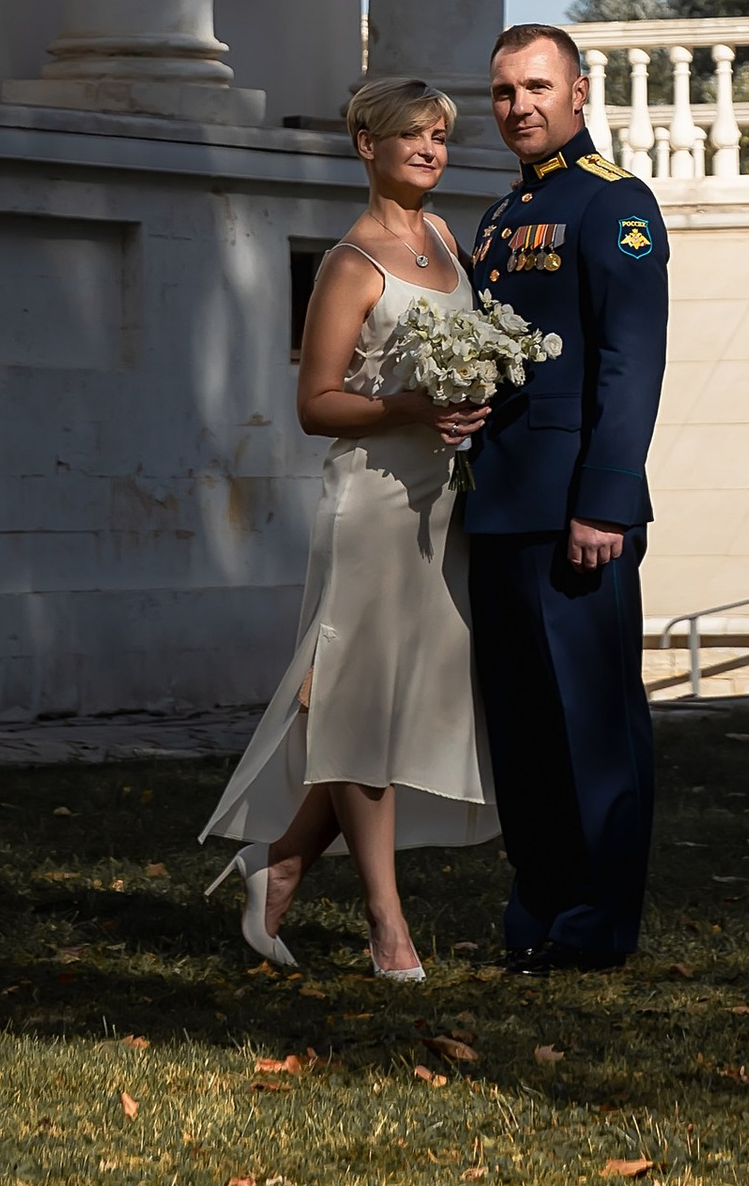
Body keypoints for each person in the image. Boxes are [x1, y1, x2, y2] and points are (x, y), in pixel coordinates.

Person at [200, 76, 499, 982]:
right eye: (412, 134)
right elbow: (315, 404)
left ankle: (283, 860)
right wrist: (414, 405)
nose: (431, 149)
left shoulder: (447, 238)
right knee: (360, 700)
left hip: (443, 502)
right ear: (368, 144)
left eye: (440, 135)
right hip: (372, 504)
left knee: (397, 702)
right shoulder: (350, 262)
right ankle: (386, 922)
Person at [463, 22, 670, 973]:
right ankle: (540, 910)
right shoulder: (501, 215)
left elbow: (631, 360)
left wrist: (606, 501)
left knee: (592, 724)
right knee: (524, 728)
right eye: (505, 91)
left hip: (576, 513)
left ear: (579, 92)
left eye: (538, 87)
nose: (520, 106)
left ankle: (597, 923)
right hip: (500, 502)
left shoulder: (614, 202)